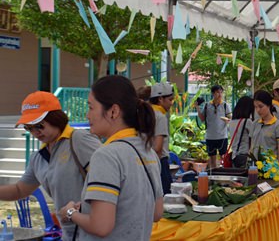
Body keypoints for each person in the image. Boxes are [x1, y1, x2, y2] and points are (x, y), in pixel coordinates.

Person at [59, 75, 163, 240]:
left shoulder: (107, 155)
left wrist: (70, 212)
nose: (87, 115)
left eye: (91, 107)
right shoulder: (148, 152)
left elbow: (101, 226)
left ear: (113, 111)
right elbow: (156, 213)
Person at [0, 91, 101, 240]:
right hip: (69, 234)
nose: (35, 132)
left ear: (55, 119)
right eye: (29, 128)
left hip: (95, 232)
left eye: (39, 126)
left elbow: (109, 177)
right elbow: (19, 190)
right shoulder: (38, 158)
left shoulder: (79, 140)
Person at [195, 85, 232, 169]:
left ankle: (223, 176)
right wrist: (197, 108)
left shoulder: (225, 105)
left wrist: (228, 120)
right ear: (213, 93)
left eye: (221, 92)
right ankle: (213, 177)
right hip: (210, 136)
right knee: (212, 159)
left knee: (224, 158)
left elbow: (230, 118)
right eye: (217, 92)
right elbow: (202, 118)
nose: (220, 94)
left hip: (222, 136)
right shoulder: (207, 105)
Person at [251, 90, 279, 168]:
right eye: (256, 107)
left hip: (271, 170)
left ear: (269, 105)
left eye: (261, 106)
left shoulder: (278, 126)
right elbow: (251, 147)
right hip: (255, 168)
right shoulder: (255, 124)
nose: (258, 110)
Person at [149, 82, 174, 194]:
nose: (171, 103)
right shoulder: (160, 116)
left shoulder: (146, 113)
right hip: (159, 162)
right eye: (170, 99)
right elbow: (158, 147)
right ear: (160, 99)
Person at [229, 96, 253, 168]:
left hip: (234, 156)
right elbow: (255, 137)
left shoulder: (231, 122)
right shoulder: (247, 121)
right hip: (244, 155)